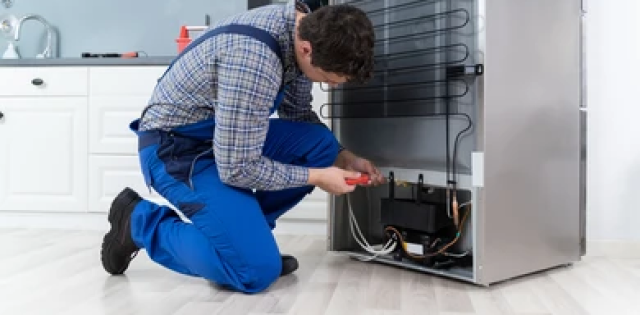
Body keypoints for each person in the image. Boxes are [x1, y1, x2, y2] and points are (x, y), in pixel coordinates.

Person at [100, 0, 386, 294]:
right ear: (306, 50)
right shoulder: (254, 61)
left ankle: (245, 240)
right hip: (177, 151)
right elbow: (237, 168)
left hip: (222, 142)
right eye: (328, 80)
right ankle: (139, 222)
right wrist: (317, 177)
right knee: (254, 271)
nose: (333, 86)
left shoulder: (304, 29)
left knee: (320, 146)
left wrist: (342, 157)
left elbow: (298, 115)